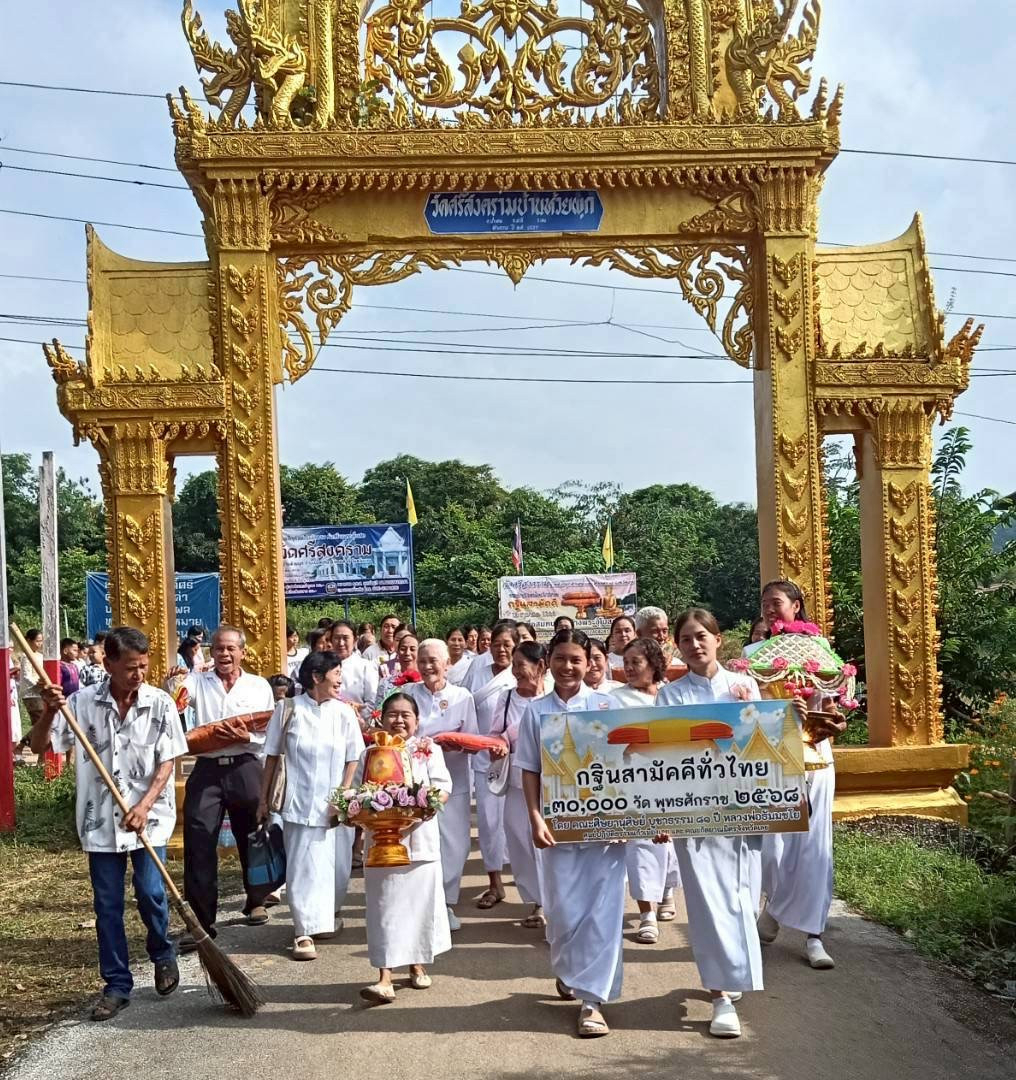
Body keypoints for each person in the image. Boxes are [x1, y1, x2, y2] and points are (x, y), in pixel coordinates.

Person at [29, 627, 187, 1021]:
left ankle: (162, 954)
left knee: (151, 892)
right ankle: (116, 984)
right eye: (131, 667)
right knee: (108, 905)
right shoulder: (80, 703)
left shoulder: (160, 703)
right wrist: (49, 711)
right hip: (99, 820)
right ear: (108, 663)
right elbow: (39, 746)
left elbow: (168, 761)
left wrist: (145, 805)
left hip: (149, 818)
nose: (139, 675)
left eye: (144, 667)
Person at [656, 607, 764, 1039]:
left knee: (741, 900)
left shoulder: (744, 686)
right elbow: (662, 759)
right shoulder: (670, 695)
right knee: (706, 901)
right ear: (678, 647)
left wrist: (751, 713)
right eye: (686, 639)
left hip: (742, 811)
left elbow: (764, 748)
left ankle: (732, 971)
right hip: (694, 812)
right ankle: (720, 994)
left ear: (718, 639)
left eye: (702, 635)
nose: (695, 644)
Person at [517, 628, 623, 1038]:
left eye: (576, 659)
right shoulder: (536, 711)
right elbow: (529, 768)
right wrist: (535, 818)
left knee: (602, 913)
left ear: (590, 663)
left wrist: (633, 820)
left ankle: (593, 1001)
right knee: (562, 914)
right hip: (558, 827)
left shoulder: (606, 706)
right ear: (548, 662)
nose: (568, 667)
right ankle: (570, 971)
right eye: (560, 659)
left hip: (605, 829)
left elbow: (628, 766)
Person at [749, 580, 842, 971]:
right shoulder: (754, 654)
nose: (770, 610)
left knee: (815, 846)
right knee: (773, 846)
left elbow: (834, 703)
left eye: (777, 603)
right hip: (774, 757)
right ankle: (774, 909)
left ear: (797, 605)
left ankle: (814, 935)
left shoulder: (822, 650)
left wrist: (833, 719)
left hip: (816, 754)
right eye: (765, 604)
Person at [258, 650, 365, 962]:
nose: (340, 680)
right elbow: (272, 756)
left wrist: (343, 795)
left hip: (336, 804)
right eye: (335, 674)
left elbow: (353, 757)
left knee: (338, 866)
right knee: (304, 867)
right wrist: (263, 800)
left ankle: (325, 917)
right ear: (316, 677)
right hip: (299, 801)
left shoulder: (343, 712)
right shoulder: (288, 709)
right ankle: (303, 931)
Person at [176, 625, 276, 946]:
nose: (224, 654)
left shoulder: (258, 686)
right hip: (207, 769)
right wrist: (176, 679)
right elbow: (179, 697)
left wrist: (248, 737)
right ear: (211, 652)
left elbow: (269, 732)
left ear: (242, 652)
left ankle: (257, 899)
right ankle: (202, 919)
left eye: (231, 648)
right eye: (219, 648)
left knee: (254, 834)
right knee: (199, 838)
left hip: (246, 765)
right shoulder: (198, 681)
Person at [355, 693, 452, 1004]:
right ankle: (384, 977)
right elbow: (356, 793)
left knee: (418, 908)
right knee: (384, 909)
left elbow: (443, 786)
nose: (398, 720)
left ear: (417, 719)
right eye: (392, 714)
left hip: (420, 842)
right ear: (381, 719)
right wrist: (356, 816)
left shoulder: (428, 749)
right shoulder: (370, 752)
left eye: (405, 714)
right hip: (381, 845)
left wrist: (420, 812)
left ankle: (417, 963)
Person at [403, 640, 478, 931]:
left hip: (454, 782)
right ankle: (421, 906)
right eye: (422, 661)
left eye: (433, 660)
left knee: (455, 846)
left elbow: (472, 740)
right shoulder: (408, 694)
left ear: (447, 663)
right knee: (418, 845)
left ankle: (446, 904)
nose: (427, 666)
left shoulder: (462, 696)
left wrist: (453, 743)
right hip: (414, 786)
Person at [614, 638, 680, 943]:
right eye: (626, 662)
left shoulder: (673, 695)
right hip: (635, 784)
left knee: (672, 844)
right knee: (642, 844)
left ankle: (667, 892)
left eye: (636, 662)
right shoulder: (615, 700)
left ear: (653, 664)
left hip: (674, 780)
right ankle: (646, 914)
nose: (628, 668)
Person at [488, 640, 547, 930]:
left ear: (540, 667)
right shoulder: (507, 698)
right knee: (520, 842)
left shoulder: (552, 698)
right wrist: (498, 743)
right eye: (513, 666)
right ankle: (536, 899)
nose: (515, 672)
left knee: (546, 844)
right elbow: (495, 734)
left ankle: (550, 903)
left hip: (552, 784)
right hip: (515, 782)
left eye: (521, 666)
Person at [461, 620, 519, 909]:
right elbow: (466, 705)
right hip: (485, 760)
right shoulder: (478, 670)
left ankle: (529, 885)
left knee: (517, 823)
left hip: (520, 760)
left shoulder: (521, 672)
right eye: (496, 644)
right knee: (488, 823)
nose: (501, 650)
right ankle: (494, 883)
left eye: (507, 644)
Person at [328, 620, 379, 713]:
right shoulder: (323, 665)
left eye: (345, 638)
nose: (341, 643)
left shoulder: (366, 666)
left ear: (355, 640)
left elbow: (372, 703)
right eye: (336, 638)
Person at [373, 630, 420, 707]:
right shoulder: (385, 683)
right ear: (397, 652)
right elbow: (377, 711)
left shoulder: (426, 683)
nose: (407, 653)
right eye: (403, 649)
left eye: (412, 649)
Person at [18, 628, 46, 729]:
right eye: (37, 641)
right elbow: (26, 676)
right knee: (39, 722)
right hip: (30, 693)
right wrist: (37, 684)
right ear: (29, 641)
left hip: (41, 692)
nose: (40, 644)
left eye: (41, 641)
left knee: (42, 722)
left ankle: (24, 743)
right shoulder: (26, 656)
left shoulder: (40, 656)